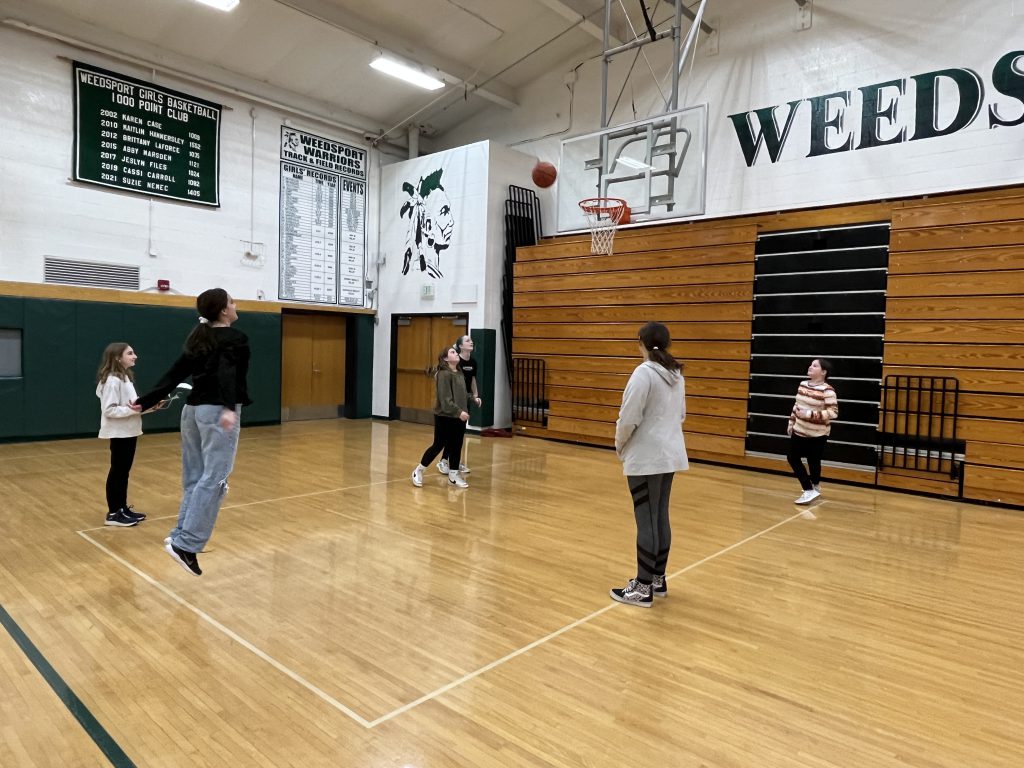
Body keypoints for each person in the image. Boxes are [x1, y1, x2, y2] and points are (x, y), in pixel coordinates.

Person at [134, 289, 251, 576]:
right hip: (216, 411)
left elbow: (175, 373)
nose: (236, 306)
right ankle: (187, 543)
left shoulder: (199, 337)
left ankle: (179, 535)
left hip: (192, 412)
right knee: (215, 477)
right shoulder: (234, 338)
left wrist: (143, 400)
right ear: (224, 311)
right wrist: (227, 408)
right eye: (232, 303)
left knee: (195, 477)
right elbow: (227, 372)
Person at [610, 322, 688, 608]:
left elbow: (628, 417)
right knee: (659, 515)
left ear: (640, 342)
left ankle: (642, 588)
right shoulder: (676, 374)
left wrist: (620, 444)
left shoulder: (644, 373)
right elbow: (681, 415)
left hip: (646, 456)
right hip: (669, 455)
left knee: (645, 517)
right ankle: (657, 579)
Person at [96, 342, 149, 527]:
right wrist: (136, 410)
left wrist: (149, 407)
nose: (135, 356)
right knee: (118, 471)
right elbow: (109, 410)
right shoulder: (112, 380)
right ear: (118, 357)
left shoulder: (125, 378)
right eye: (130, 353)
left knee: (123, 472)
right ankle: (113, 513)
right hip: (119, 433)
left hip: (129, 431)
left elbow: (131, 406)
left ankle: (122, 508)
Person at [412, 346, 470, 489]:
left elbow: (461, 394)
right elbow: (445, 400)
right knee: (439, 445)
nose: (456, 353)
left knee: (456, 445)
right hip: (445, 415)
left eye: (456, 352)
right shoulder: (443, 374)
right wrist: (459, 412)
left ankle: (453, 476)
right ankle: (419, 470)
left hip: (459, 416)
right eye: (452, 352)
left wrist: (472, 399)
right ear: (445, 358)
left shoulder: (459, 373)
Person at [787, 358, 839, 505]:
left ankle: (814, 488)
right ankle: (808, 489)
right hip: (799, 431)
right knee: (792, 457)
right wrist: (791, 422)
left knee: (814, 460)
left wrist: (810, 414)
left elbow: (833, 413)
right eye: (810, 364)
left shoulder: (828, 391)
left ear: (823, 372)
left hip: (817, 434)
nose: (810, 367)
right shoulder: (802, 384)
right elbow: (797, 405)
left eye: (815, 366)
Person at [438, 333, 481, 476]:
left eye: (471, 340)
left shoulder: (473, 363)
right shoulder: (456, 362)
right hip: (453, 403)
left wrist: (475, 396)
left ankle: (454, 462)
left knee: (459, 434)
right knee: (451, 434)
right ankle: (444, 460)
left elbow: (473, 380)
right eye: (468, 340)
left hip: (465, 399)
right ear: (460, 346)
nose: (471, 342)